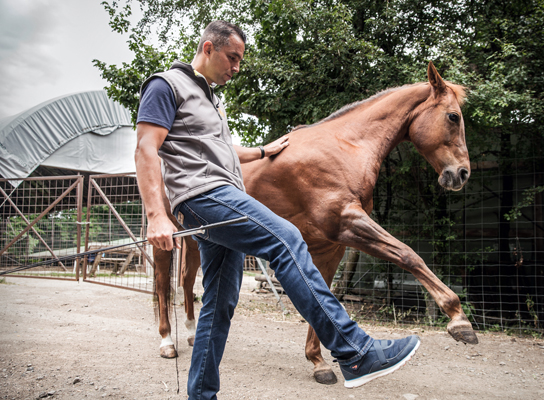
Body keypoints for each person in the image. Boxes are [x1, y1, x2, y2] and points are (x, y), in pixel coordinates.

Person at [135, 20, 420, 400]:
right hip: (203, 197)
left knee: (219, 305)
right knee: (286, 238)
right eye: (232, 58)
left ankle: (201, 395)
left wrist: (260, 152)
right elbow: (146, 148)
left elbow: (217, 152)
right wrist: (156, 213)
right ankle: (356, 352)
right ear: (207, 48)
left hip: (220, 193)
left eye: (240, 60)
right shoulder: (165, 86)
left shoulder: (211, 99)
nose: (236, 67)